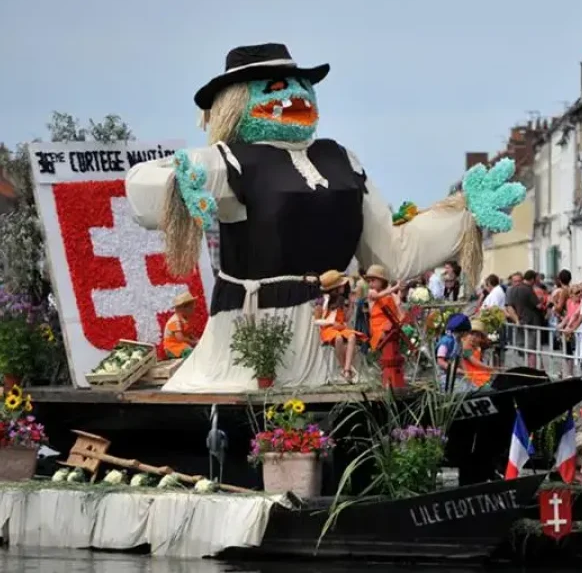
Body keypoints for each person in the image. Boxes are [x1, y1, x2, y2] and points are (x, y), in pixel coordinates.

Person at [125, 42, 525, 392]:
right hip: (254, 346)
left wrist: (462, 213)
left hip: (332, 342)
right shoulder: (225, 161)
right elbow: (147, 182)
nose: (297, 94)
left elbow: (393, 251)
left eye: (304, 85)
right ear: (237, 102)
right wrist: (179, 186)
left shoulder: (341, 159)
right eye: (279, 87)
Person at [315, 270, 366, 380]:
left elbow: (346, 318)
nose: (344, 285)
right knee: (338, 339)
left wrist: (352, 304)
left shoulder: (341, 300)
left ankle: (346, 369)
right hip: (328, 329)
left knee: (352, 336)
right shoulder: (322, 300)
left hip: (341, 327)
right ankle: (345, 369)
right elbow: (316, 321)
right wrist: (332, 323)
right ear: (335, 288)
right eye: (341, 284)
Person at [506, 270, 543, 367]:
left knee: (523, 347)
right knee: (532, 349)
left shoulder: (511, 290)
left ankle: (530, 368)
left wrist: (517, 320)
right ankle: (533, 370)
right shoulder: (528, 289)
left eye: (518, 280)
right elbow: (539, 305)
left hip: (521, 322)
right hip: (531, 322)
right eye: (515, 281)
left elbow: (509, 307)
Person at [435, 313, 471, 389]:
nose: (468, 334)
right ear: (462, 331)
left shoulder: (459, 342)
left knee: (470, 386)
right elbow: (440, 361)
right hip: (443, 374)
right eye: (467, 332)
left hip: (454, 373)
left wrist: (466, 373)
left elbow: (460, 358)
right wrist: (454, 369)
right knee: (460, 388)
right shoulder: (446, 341)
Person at [163, 292, 199, 359]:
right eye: (191, 308)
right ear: (183, 308)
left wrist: (195, 339)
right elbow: (180, 338)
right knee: (189, 351)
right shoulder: (175, 321)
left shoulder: (183, 319)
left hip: (180, 344)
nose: (193, 309)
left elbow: (188, 333)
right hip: (173, 347)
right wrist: (192, 342)